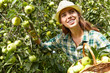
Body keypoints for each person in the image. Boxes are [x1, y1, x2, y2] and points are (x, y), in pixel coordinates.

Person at [35, 0, 110, 63]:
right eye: (64, 15)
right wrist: (33, 34)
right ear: (61, 21)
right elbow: (44, 47)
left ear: (78, 14)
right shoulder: (63, 39)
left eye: (71, 12)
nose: (69, 16)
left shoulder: (96, 37)